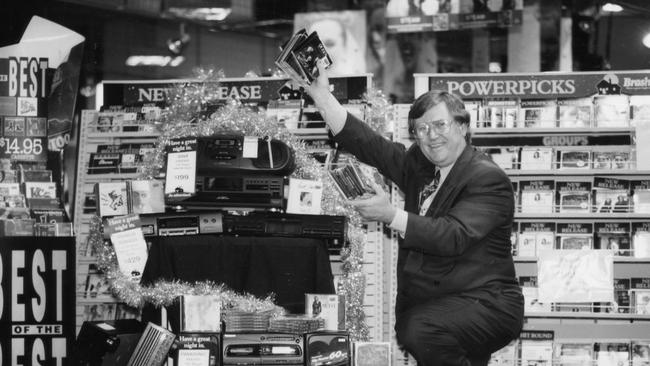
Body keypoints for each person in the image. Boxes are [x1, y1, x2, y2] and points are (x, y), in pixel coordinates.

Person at [305, 60, 524, 366]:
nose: (431, 135)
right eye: (421, 129)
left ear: (462, 126)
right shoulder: (421, 167)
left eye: (439, 125)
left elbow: (453, 235)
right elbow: (372, 146)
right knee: (422, 330)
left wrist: (390, 215)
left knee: (419, 329)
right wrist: (323, 99)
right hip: (443, 305)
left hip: (488, 303)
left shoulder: (486, 178)